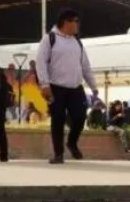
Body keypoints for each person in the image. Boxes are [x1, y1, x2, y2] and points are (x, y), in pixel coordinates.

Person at [37, 9, 101, 164]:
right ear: (66, 22)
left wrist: (93, 86)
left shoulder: (77, 42)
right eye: (76, 21)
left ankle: (72, 143)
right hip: (56, 87)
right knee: (58, 120)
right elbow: (41, 62)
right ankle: (58, 154)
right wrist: (44, 84)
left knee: (80, 117)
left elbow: (85, 66)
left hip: (75, 87)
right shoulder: (49, 38)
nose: (78, 25)